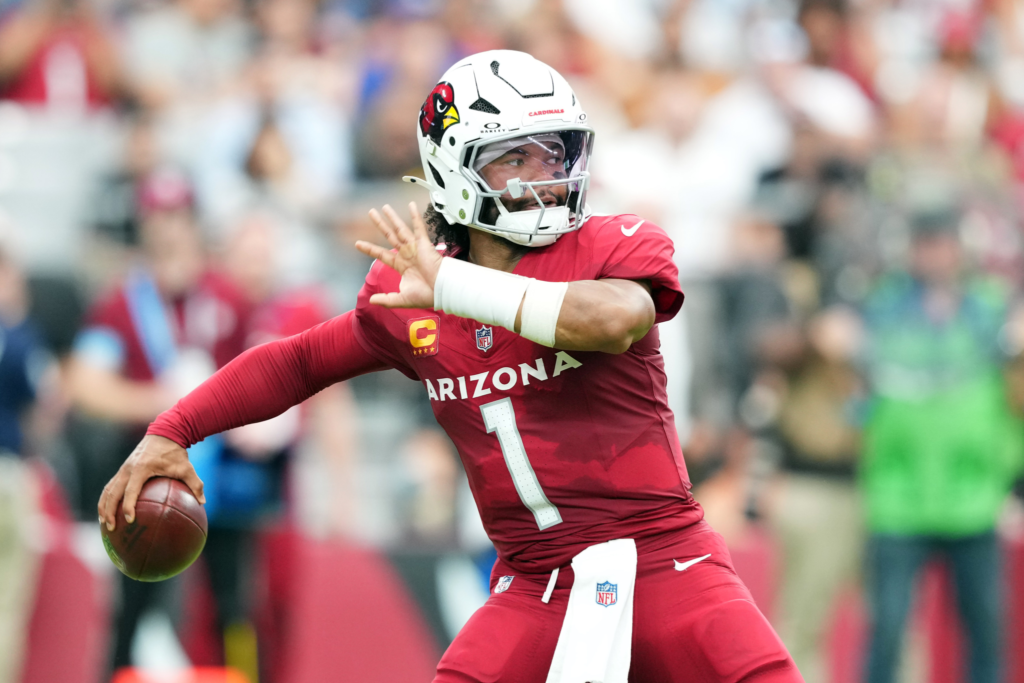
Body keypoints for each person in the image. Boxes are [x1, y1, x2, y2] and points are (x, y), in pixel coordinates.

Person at [99, 50, 803, 683]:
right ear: (453, 171)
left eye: (556, 154)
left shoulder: (609, 246)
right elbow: (299, 361)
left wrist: (452, 287)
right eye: (515, 159)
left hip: (667, 562)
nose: (547, 178)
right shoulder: (410, 294)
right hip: (536, 583)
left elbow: (615, 319)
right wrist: (174, 428)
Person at [860, 209, 1021, 683]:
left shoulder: (992, 308)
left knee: (986, 630)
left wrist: (1008, 471)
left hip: (974, 496)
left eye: (943, 243)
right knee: (887, 629)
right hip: (897, 496)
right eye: (925, 243)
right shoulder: (882, 307)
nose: (934, 254)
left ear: (961, 249)